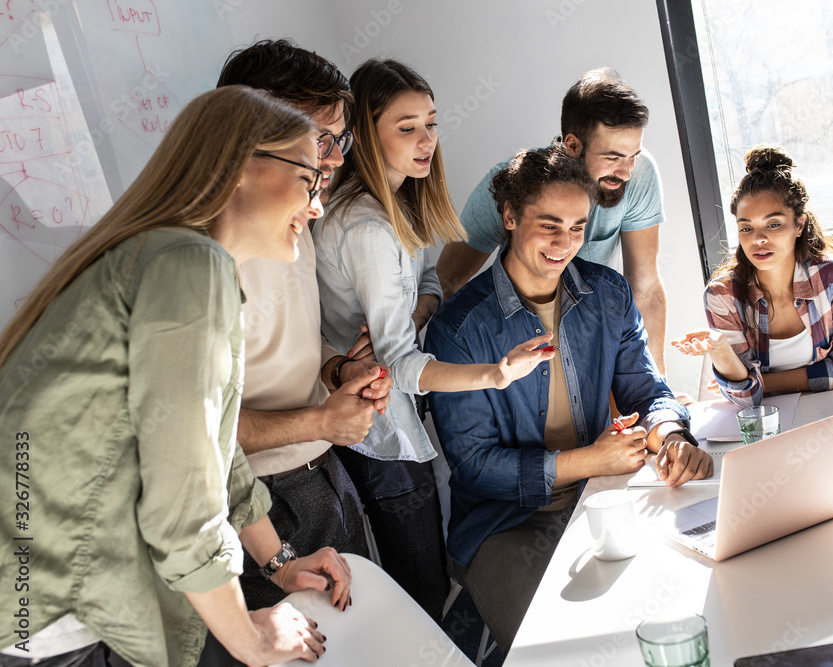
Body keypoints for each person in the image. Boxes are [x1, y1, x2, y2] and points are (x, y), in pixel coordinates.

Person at [0, 86, 351, 667]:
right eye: (309, 179)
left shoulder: (169, 259)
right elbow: (184, 507)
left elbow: (213, 451)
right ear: (242, 164)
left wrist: (278, 562)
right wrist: (253, 640)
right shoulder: (190, 266)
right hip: (50, 620)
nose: (317, 204)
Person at [425, 145, 713, 655]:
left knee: (678, 610)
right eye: (549, 224)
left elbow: (646, 388)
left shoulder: (608, 294)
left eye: (578, 226)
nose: (565, 243)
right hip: (503, 525)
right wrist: (586, 460)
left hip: (600, 496)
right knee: (558, 651)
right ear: (510, 217)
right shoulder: (459, 328)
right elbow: (473, 467)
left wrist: (670, 433)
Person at [313, 58, 553, 620]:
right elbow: (396, 362)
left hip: (395, 413)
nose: (428, 140)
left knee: (428, 572)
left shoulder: (399, 205)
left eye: (431, 122)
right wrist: (493, 375)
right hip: (377, 427)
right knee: (419, 587)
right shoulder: (366, 227)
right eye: (407, 128)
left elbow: (429, 282)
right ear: (366, 136)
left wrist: (419, 307)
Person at [216, 39, 388, 613]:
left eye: (342, 139)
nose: (335, 160)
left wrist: (339, 367)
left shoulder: (293, 217)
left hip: (323, 473)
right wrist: (321, 418)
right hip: (263, 500)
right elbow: (199, 437)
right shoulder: (202, 262)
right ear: (252, 134)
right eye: (320, 140)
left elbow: (288, 335)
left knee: (365, 637)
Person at [437, 67, 673, 377]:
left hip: (594, 329)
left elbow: (644, 286)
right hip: (520, 338)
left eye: (633, 156)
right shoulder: (511, 184)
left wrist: (659, 388)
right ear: (572, 145)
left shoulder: (638, 173)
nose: (627, 172)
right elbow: (449, 279)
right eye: (613, 157)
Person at [672, 146, 833, 409]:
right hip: (764, 420)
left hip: (831, 411)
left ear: (799, 224)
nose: (758, 239)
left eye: (773, 224)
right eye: (746, 228)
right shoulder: (722, 295)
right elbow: (745, 398)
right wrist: (720, 350)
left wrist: (762, 383)